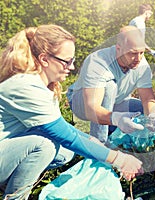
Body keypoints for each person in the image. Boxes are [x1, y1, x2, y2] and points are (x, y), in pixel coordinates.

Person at [0, 24, 143, 200]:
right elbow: (66, 136)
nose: (72, 67)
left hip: (6, 146)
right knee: (44, 146)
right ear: (45, 59)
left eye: (73, 60)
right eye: (66, 61)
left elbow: (61, 127)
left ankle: (11, 177)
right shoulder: (26, 87)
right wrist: (118, 159)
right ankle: (15, 196)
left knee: (64, 153)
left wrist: (92, 141)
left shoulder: (43, 84)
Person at [67, 25, 155, 143]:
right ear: (118, 48)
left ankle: (119, 136)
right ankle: (99, 145)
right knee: (110, 87)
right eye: (132, 53)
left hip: (115, 103)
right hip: (82, 104)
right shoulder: (98, 61)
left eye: (142, 52)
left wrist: (152, 117)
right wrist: (117, 118)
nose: (138, 58)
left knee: (151, 112)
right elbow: (91, 108)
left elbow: (148, 98)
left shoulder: (141, 65)